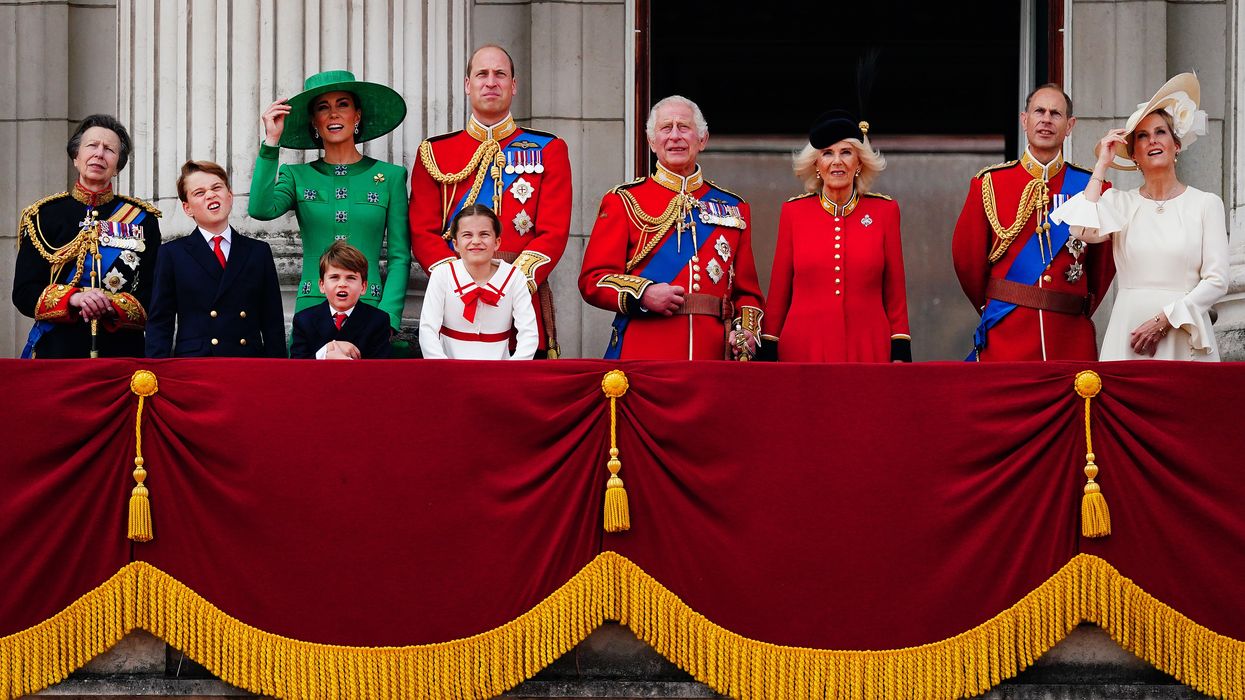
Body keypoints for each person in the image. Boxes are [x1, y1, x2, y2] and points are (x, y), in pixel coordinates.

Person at [1051, 73, 1228, 361]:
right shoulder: (1119, 202)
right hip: (1129, 331)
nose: (1152, 141)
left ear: (1176, 145)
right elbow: (1080, 229)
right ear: (1134, 155)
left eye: (1160, 132)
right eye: (1142, 136)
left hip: (1182, 330)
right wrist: (1102, 165)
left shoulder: (1206, 204)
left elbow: (1217, 280)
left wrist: (1165, 320)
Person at [409, 44, 571, 358]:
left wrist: (510, 284)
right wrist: (460, 281)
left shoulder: (549, 148)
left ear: (513, 85)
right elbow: (423, 232)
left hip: (522, 297)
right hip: (454, 304)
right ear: (468, 85)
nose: (491, 81)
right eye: (481, 74)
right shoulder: (434, 152)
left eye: (500, 74)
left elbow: (553, 232)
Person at [579, 95, 764, 360]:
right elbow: (593, 280)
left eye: (684, 127)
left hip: (711, 355)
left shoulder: (735, 207)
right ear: (651, 142)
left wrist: (745, 330)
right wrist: (643, 294)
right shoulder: (624, 200)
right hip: (644, 352)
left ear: (703, 139)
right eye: (666, 128)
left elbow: (748, 294)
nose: (675, 136)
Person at [952, 84, 1114, 361]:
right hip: (1007, 333)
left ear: (1070, 125)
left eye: (1056, 114)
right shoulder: (990, 182)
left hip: (1068, 338)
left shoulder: (1093, 187)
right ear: (1024, 120)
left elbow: (1102, 267)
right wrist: (999, 304)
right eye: (1039, 111)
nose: (1046, 119)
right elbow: (967, 260)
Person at [249, 70, 410, 333]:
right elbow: (260, 209)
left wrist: (388, 318)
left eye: (342, 105)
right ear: (314, 120)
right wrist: (272, 141)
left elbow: (400, 256)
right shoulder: (296, 175)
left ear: (357, 115)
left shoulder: (391, 177)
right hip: (312, 308)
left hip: (370, 307)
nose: (333, 114)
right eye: (323, 108)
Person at [761, 110, 911, 362]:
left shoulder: (885, 211)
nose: (837, 161)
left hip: (869, 348)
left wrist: (900, 348)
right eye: (827, 153)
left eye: (846, 152)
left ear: (860, 162)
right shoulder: (794, 212)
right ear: (816, 164)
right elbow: (778, 292)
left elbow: (895, 292)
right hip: (803, 349)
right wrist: (768, 346)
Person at [12, 114, 161, 358]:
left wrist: (109, 304)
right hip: (57, 350)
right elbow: (23, 292)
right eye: (92, 146)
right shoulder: (43, 215)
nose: (99, 154)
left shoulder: (143, 219)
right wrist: (74, 299)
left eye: (109, 150)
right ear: (75, 157)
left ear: (117, 167)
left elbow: (152, 295)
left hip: (121, 352)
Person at [146, 161, 286, 358]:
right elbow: (161, 321)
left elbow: (272, 322)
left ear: (230, 196)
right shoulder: (172, 253)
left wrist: (277, 373)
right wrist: (156, 373)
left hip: (248, 362)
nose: (210, 195)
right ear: (187, 208)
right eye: (199, 193)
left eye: (216, 187)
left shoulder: (258, 251)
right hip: (195, 365)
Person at [418, 204, 537, 360]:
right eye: (467, 235)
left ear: (497, 242)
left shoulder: (515, 277)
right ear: (455, 244)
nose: (476, 241)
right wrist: (443, 368)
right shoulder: (442, 275)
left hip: (501, 374)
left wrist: (511, 371)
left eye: (484, 234)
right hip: (449, 372)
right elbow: (428, 330)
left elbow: (529, 333)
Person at [291, 241, 393, 359]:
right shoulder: (304, 320)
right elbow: (297, 366)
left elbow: (380, 369)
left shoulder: (378, 320)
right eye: (334, 277)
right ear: (322, 285)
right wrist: (326, 351)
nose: (342, 284)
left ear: (363, 287)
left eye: (351, 278)